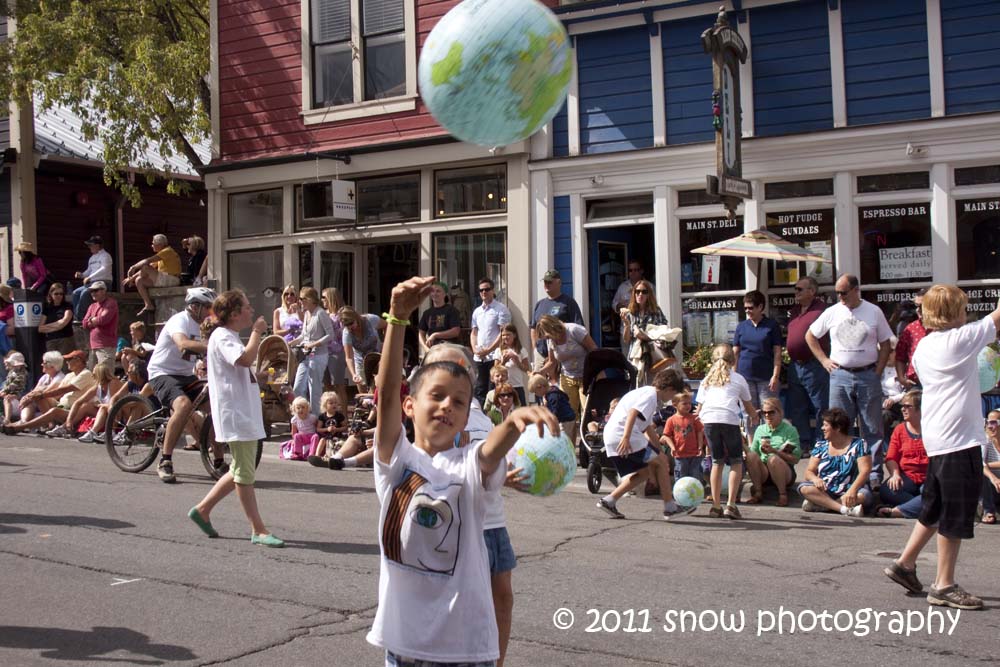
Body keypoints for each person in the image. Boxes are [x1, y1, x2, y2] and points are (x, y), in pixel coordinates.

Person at [366, 274, 557, 666]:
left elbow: (488, 453)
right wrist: (398, 318)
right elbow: (386, 393)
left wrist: (513, 420)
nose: (447, 406)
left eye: (459, 401)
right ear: (409, 407)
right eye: (435, 396)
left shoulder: (467, 463)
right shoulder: (396, 462)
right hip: (403, 650)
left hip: (467, 650)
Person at [884, 286, 1000, 610]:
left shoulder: (924, 347)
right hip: (958, 440)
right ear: (953, 313)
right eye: (962, 307)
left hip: (938, 438)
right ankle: (944, 585)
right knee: (954, 511)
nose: (967, 313)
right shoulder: (960, 340)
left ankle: (904, 563)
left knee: (933, 507)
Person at [187, 289, 283, 547]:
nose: (251, 311)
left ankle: (203, 510)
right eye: (247, 307)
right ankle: (258, 529)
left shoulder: (226, 336)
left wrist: (258, 377)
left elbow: (240, 368)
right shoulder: (222, 336)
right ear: (234, 313)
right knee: (244, 472)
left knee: (239, 469)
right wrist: (257, 332)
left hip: (241, 412)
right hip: (236, 413)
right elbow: (242, 360)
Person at [806, 273, 893, 488]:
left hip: (867, 373)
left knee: (872, 426)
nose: (840, 297)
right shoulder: (832, 312)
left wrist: (878, 371)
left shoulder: (873, 311)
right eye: (836, 293)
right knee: (838, 426)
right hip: (841, 374)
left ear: (856, 290)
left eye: (843, 292)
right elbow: (810, 335)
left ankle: (873, 475)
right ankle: (839, 471)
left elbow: (886, 343)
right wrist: (824, 360)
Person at [596, 369, 691, 520]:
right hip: (624, 435)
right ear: (669, 389)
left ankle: (609, 501)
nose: (672, 398)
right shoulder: (651, 396)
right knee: (661, 463)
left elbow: (647, 428)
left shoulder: (645, 393)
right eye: (673, 394)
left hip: (613, 435)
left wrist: (660, 451)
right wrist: (626, 437)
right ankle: (670, 507)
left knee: (645, 472)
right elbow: (633, 413)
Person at [146, 287, 216, 483]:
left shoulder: (204, 325)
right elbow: (183, 344)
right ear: (195, 306)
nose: (211, 311)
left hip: (186, 375)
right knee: (183, 405)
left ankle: (218, 461)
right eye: (208, 307)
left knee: (214, 406)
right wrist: (213, 346)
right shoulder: (179, 321)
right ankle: (165, 461)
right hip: (163, 373)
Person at [697, 344, 758, 519]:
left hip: (709, 419)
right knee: (736, 461)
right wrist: (754, 416)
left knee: (717, 461)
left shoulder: (706, 380)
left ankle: (715, 506)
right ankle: (731, 504)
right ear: (733, 360)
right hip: (729, 419)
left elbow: (699, 407)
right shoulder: (738, 378)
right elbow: (747, 405)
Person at [798, 408, 873, 516]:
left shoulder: (859, 444)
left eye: (825, 425)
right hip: (826, 490)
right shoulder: (820, 445)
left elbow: (865, 472)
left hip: (851, 489)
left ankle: (822, 505)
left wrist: (852, 490)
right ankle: (844, 509)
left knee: (863, 495)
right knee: (804, 488)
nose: (822, 428)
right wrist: (815, 479)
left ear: (837, 428)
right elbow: (809, 472)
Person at [785, 276, 829, 457]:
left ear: (812, 291)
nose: (796, 292)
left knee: (820, 406)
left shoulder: (822, 310)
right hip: (795, 366)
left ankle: (821, 443)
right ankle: (803, 443)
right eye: (795, 289)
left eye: (799, 289)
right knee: (798, 407)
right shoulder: (795, 311)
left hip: (814, 365)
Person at [3, 350, 95, 436]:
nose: (67, 362)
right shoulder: (69, 375)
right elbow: (57, 393)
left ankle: (21, 427)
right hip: (60, 405)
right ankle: (49, 424)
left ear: (78, 361)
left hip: (73, 410)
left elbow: (64, 389)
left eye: (69, 359)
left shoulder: (86, 373)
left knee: (51, 407)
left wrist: (40, 394)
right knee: (38, 396)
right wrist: (33, 396)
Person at [535, 314, 597, 440]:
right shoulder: (551, 341)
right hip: (567, 377)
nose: (548, 339)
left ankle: (590, 448)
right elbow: (552, 362)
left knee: (587, 413)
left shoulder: (574, 330)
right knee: (567, 417)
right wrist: (540, 372)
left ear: (553, 328)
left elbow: (594, 350)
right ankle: (569, 449)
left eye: (547, 335)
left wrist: (598, 374)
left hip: (586, 376)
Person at [877, 390, 927, 519]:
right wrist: (895, 474)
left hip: (929, 477)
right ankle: (923, 507)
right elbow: (891, 457)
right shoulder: (900, 430)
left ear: (920, 409)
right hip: (907, 476)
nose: (903, 409)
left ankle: (899, 511)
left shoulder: (932, 430)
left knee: (933, 492)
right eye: (902, 406)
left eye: (908, 406)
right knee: (887, 490)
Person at [733, 290, 783, 413]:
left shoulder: (771, 325)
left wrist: (775, 376)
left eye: (750, 308)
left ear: (760, 307)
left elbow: (777, 352)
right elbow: (735, 352)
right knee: (749, 413)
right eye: (745, 308)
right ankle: (751, 434)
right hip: (745, 376)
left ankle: (770, 433)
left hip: (766, 377)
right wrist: (734, 375)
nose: (747, 311)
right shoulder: (741, 326)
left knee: (769, 410)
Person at [745, 397, 801, 507]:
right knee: (751, 456)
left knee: (773, 459)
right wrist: (743, 445)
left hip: (784, 470)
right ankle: (758, 492)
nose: (767, 416)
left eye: (771, 412)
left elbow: (796, 458)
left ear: (780, 413)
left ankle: (783, 495)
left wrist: (775, 451)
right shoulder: (760, 429)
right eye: (764, 413)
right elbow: (753, 453)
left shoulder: (790, 430)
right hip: (764, 471)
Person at [289, 287, 334, 415]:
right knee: (298, 387)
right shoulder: (307, 314)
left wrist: (314, 343)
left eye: (302, 299)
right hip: (305, 355)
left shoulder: (320, 313)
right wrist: (292, 343)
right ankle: (303, 416)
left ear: (310, 300)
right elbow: (304, 335)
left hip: (318, 355)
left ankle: (316, 418)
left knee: (314, 388)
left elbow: (330, 334)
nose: (300, 302)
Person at [470, 277, 511, 405]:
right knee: (479, 390)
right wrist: (474, 349)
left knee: (494, 389)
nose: (484, 292)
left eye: (487, 289)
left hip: (495, 357)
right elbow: (474, 332)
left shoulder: (501, 309)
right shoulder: (477, 311)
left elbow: (502, 333)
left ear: (493, 290)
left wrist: (488, 350)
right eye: (481, 290)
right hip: (479, 357)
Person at [530, 269, 584, 366]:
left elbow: (579, 328)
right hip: (541, 355)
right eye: (545, 282)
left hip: (560, 356)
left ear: (559, 282)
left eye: (549, 282)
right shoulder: (539, 304)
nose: (546, 284)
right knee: (538, 380)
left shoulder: (568, 302)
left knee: (559, 381)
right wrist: (535, 349)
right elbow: (533, 328)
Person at [620, 278, 669, 383]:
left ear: (648, 295)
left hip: (652, 357)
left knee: (652, 388)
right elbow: (627, 340)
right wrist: (627, 325)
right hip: (635, 358)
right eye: (637, 291)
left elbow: (663, 333)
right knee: (636, 389)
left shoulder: (656, 311)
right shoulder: (631, 313)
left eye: (644, 292)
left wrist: (644, 336)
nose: (640, 294)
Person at [122, 233, 182, 315]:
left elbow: (147, 262)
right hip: (164, 279)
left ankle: (147, 302)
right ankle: (148, 305)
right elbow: (148, 267)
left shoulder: (167, 251)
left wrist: (133, 267)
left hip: (172, 279)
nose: (152, 245)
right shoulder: (161, 255)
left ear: (160, 244)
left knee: (145, 267)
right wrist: (132, 278)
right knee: (139, 280)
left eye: (153, 243)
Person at [63, 362, 123, 443]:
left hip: (120, 412)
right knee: (86, 406)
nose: (92, 376)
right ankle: (66, 426)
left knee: (103, 407)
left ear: (100, 374)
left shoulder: (113, 383)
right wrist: (69, 420)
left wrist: (101, 405)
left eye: (94, 374)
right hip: (107, 411)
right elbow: (78, 402)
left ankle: (101, 432)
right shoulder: (97, 387)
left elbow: (114, 404)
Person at [6, 351, 65, 427]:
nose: (42, 364)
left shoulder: (60, 378)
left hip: (54, 405)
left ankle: (50, 423)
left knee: (38, 396)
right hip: (40, 405)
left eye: (44, 363)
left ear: (52, 366)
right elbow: (34, 391)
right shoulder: (45, 377)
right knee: (30, 398)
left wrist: (29, 397)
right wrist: (26, 397)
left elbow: (46, 393)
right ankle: (23, 422)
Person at [661, 392, 706, 485]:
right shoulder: (671, 420)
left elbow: (699, 432)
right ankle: (680, 495)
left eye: (689, 403)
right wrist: (673, 448)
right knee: (681, 476)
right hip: (680, 454)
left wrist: (700, 447)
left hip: (694, 454)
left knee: (695, 475)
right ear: (675, 404)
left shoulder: (694, 418)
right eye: (684, 403)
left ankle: (695, 495)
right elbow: (666, 435)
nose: (688, 406)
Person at [340, 306, 386, 392]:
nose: (350, 327)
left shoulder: (370, 319)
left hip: (378, 358)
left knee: (375, 390)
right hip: (361, 362)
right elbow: (349, 357)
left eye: (351, 323)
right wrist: (353, 374)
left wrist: (386, 343)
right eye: (346, 325)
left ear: (356, 317)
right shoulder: (347, 333)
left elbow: (386, 325)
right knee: (363, 393)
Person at [72, 236, 114, 321]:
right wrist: (82, 275)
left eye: (91, 245)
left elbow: (104, 269)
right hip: (92, 283)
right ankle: (76, 316)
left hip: (104, 282)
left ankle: (80, 319)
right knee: (75, 293)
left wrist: (90, 277)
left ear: (97, 245)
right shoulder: (92, 258)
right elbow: (89, 271)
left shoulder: (106, 256)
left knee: (85, 293)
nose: (89, 247)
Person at [895, 288, 929, 389]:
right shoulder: (911, 329)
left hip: (938, 384)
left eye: (922, 306)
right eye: (916, 306)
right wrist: (901, 378)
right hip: (915, 384)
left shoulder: (944, 329)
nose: (918, 310)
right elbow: (900, 356)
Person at [321, 287, 349, 411]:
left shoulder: (341, 314)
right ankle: (330, 415)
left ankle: (343, 417)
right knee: (327, 386)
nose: (322, 300)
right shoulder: (323, 314)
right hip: (324, 352)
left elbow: (345, 333)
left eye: (324, 297)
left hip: (337, 352)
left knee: (339, 385)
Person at [418, 281, 462, 355]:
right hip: (432, 351)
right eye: (432, 291)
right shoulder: (427, 313)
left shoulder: (451, 310)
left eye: (438, 291)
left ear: (445, 294)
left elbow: (456, 331)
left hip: (449, 349)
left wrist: (435, 335)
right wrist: (425, 348)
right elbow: (421, 333)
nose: (434, 294)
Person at [81, 282, 119, 368]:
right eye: (91, 291)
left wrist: (92, 319)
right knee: (93, 375)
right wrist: (93, 320)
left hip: (106, 346)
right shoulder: (92, 306)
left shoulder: (111, 303)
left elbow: (103, 320)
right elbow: (84, 323)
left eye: (95, 290)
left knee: (106, 375)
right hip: (93, 345)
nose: (93, 293)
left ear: (104, 291)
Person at [527, 372, 575, 436]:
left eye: (535, 392)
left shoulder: (553, 396)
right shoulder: (549, 393)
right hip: (564, 419)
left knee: (562, 438)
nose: (536, 394)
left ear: (540, 387)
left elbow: (554, 412)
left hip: (565, 420)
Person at [306, 391, 347, 460]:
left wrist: (337, 429)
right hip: (326, 436)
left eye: (335, 403)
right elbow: (318, 429)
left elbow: (345, 427)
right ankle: (317, 456)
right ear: (325, 405)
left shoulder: (339, 416)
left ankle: (333, 456)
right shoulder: (322, 416)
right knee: (322, 440)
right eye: (331, 403)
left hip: (337, 436)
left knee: (338, 442)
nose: (334, 405)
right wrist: (327, 429)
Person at [38, 283, 75, 355]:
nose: (59, 296)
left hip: (65, 340)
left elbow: (63, 323)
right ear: (51, 294)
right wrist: (57, 325)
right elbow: (40, 328)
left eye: (61, 294)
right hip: (50, 341)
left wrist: (48, 327)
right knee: (52, 364)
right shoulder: (47, 308)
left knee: (64, 365)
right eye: (56, 294)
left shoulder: (67, 306)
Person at [498, 324, 529, 406]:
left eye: (508, 334)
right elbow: (495, 370)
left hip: (517, 385)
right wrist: (503, 362)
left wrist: (517, 361)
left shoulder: (521, 350)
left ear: (514, 335)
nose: (505, 337)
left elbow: (526, 368)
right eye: (503, 335)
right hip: (503, 386)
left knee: (521, 410)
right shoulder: (499, 350)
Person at [981, 410, 1000, 525]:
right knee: (980, 473)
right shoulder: (985, 440)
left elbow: (984, 464)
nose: (990, 426)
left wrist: (987, 465)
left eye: (993, 423)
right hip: (991, 487)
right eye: (987, 422)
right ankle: (988, 511)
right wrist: (994, 478)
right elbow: (980, 464)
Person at [0, 352, 28, 423]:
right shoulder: (11, 372)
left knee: (7, 398)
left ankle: (7, 419)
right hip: (10, 393)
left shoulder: (22, 374)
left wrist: (4, 391)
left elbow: (13, 385)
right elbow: (7, 383)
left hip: (18, 396)